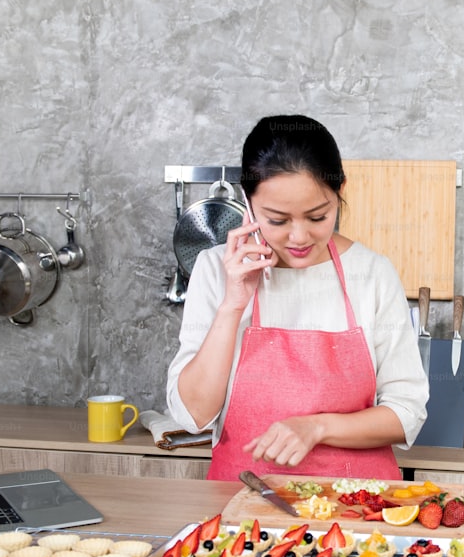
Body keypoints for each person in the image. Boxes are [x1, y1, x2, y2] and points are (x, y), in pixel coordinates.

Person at [166, 114, 429, 481]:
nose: (300, 237)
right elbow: (192, 415)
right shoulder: (215, 270)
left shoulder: (372, 274)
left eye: (318, 216)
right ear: (248, 200)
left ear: (341, 192)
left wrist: (317, 428)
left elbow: (406, 413)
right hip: (243, 506)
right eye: (277, 220)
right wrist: (233, 305)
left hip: (357, 508)